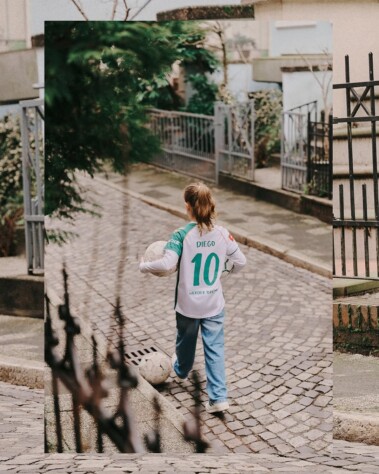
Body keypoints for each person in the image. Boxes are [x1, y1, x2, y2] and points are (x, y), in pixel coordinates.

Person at [139, 182, 246, 413]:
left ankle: (181, 370)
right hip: (213, 303)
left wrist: (144, 266)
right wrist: (223, 272)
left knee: (185, 345)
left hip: (188, 305)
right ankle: (218, 398)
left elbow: (167, 263)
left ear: (188, 206)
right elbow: (241, 262)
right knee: (215, 349)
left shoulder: (181, 234)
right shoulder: (223, 233)